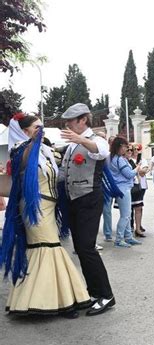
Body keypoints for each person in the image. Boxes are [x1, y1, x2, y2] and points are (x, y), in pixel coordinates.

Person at [1, 113, 90, 318]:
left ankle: (52, 299)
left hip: (49, 208)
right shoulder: (20, 151)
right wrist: (37, 142)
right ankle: (58, 301)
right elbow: (22, 165)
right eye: (36, 127)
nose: (41, 130)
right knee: (47, 247)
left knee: (48, 247)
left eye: (42, 127)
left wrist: (83, 142)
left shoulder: (45, 152)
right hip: (34, 207)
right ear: (24, 132)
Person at [60, 103, 115, 316]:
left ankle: (106, 295)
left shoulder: (95, 139)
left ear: (83, 120)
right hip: (74, 200)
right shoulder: (72, 144)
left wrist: (81, 140)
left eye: (71, 121)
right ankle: (95, 293)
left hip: (89, 199)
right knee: (81, 249)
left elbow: (102, 152)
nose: (67, 125)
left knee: (87, 248)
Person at [108, 138, 146, 247]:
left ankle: (128, 237)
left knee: (127, 214)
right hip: (123, 188)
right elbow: (129, 174)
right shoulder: (119, 159)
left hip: (123, 188)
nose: (126, 148)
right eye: (125, 146)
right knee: (125, 215)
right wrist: (137, 168)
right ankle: (119, 239)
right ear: (119, 147)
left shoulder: (116, 158)